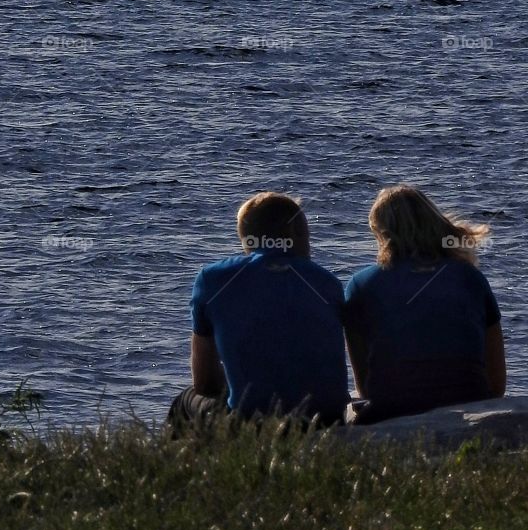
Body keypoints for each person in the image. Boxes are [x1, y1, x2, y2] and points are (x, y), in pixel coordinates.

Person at [168, 191, 349, 429]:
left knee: (185, 401)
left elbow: (204, 383)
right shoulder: (327, 283)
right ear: (294, 233)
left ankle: (183, 465)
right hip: (325, 420)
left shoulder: (213, 280)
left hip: (254, 422)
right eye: (307, 234)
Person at [344, 184, 506, 424]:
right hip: (472, 401)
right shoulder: (469, 277)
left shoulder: (361, 284)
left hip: (393, 412)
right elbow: (497, 383)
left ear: (381, 233)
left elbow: (367, 387)